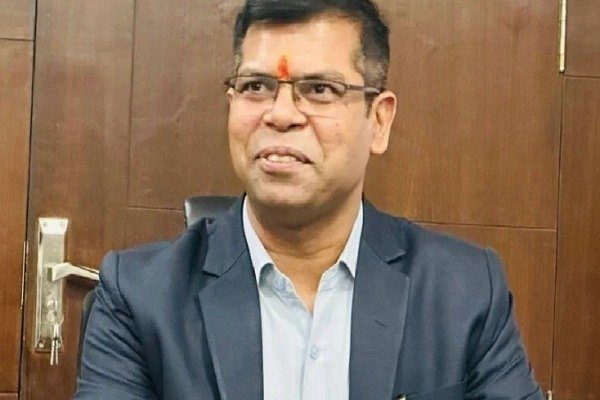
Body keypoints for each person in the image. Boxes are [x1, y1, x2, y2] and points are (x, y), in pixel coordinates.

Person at [74, 0, 544, 399]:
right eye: (256, 87)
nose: (280, 115)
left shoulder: (464, 294)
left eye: (319, 89)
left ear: (379, 121)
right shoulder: (138, 298)